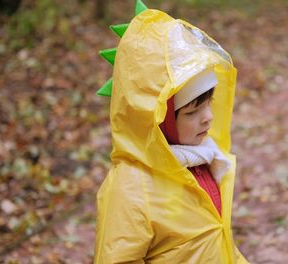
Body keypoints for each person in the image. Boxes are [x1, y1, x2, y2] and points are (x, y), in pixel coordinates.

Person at [94, 1, 248, 263]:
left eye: (208, 103)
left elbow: (214, 241)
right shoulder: (131, 189)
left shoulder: (200, 160)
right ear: (157, 120)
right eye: (191, 112)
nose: (208, 118)